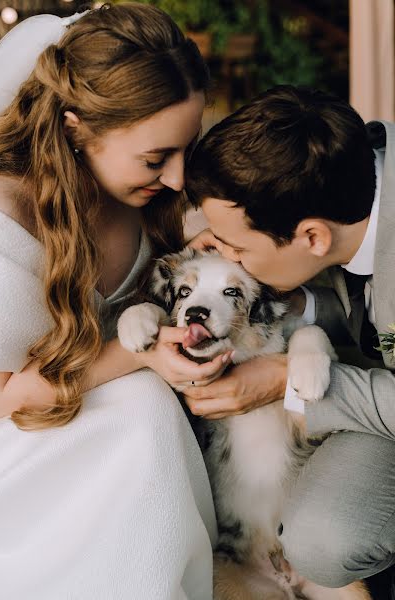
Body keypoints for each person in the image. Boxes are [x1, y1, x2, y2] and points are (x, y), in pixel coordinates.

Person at [0, 4, 234, 598]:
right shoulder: (2, 221)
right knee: (140, 409)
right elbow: (4, 397)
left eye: (186, 151)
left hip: (90, 405)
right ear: (76, 129)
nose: (179, 180)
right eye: (156, 159)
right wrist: (144, 353)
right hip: (19, 433)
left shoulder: (138, 194)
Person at [184, 85, 395, 591]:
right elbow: (365, 316)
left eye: (236, 248)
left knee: (331, 540)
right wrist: (298, 307)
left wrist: (285, 381)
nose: (226, 257)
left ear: (312, 237)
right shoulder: (347, 189)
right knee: (317, 535)